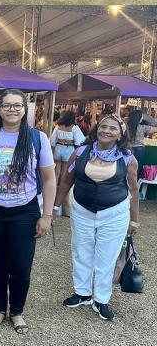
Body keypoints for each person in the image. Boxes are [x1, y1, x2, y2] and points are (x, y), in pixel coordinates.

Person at [0, 90, 56, 335]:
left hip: (25, 210)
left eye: (17, 105)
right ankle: (0, 308)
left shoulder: (37, 138)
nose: (11, 109)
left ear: (24, 109)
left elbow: (50, 178)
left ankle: (17, 310)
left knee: (21, 264)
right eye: (6, 105)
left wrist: (47, 215)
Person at [54, 114, 140, 321]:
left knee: (106, 257)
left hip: (114, 213)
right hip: (83, 211)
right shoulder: (81, 152)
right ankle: (82, 293)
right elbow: (66, 182)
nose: (106, 131)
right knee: (81, 252)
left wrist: (133, 219)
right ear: (96, 129)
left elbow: (134, 190)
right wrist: (55, 206)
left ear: (121, 134)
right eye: (103, 126)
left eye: (112, 128)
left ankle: (101, 299)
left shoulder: (128, 158)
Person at [50, 110, 85, 215]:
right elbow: (80, 141)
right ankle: (62, 192)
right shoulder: (74, 128)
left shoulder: (58, 126)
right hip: (68, 149)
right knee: (65, 173)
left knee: (56, 172)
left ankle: (53, 189)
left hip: (58, 148)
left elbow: (52, 141)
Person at [126, 108, 157, 179]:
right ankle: (134, 184)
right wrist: (147, 118)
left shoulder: (125, 125)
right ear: (140, 118)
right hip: (139, 149)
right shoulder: (142, 127)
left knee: (127, 167)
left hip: (128, 148)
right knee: (137, 168)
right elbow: (155, 126)